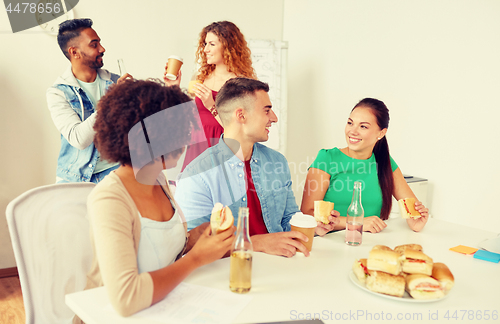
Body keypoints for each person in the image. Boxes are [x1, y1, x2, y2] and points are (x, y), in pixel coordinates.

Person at [74, 79, 234, 322]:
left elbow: (159, 251)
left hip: (161, 309)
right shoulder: (109, 199)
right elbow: (126, 299)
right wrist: (197, 258)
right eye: (181, 131)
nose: (187, 140)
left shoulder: (158, 179)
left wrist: (194, 239)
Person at [175, 78, 339, 258]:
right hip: (229, 275)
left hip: (279, 264)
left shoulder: (277, 162)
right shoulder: (196, 175)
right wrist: (256, 243)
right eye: (267, 110)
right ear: (241, 115)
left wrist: (312, 225)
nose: (274, 118)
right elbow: (192, 245)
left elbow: (288, 220)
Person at [301, 98, 429, 233]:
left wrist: (415, 221)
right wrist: (357, 223)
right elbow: (306, 213)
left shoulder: (385, 163)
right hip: (329, 242)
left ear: (381, 133)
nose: (353, 131)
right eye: (350, 123)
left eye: (363, 126)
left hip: (369, 243)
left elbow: (411, 208)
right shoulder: (327, 158)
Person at [163, 21, 256, 171]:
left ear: (228, 46)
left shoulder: (242, 83)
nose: (205, 49)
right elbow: (188, 118)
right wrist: (173, 89)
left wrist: (211, 105)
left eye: (211, 44)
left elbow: (243, 129)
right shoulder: (200, 77)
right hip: (196, 148)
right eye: (205, 44)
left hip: (223, 150)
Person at [47, 18, 131, 183]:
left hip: (116, 171)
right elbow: (79, 139)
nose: (102, 49)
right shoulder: (58, 92)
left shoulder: (116, 82)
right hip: (74, 177)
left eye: (100, 43)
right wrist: (112, 100)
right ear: (74, 52)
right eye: (94, 45)